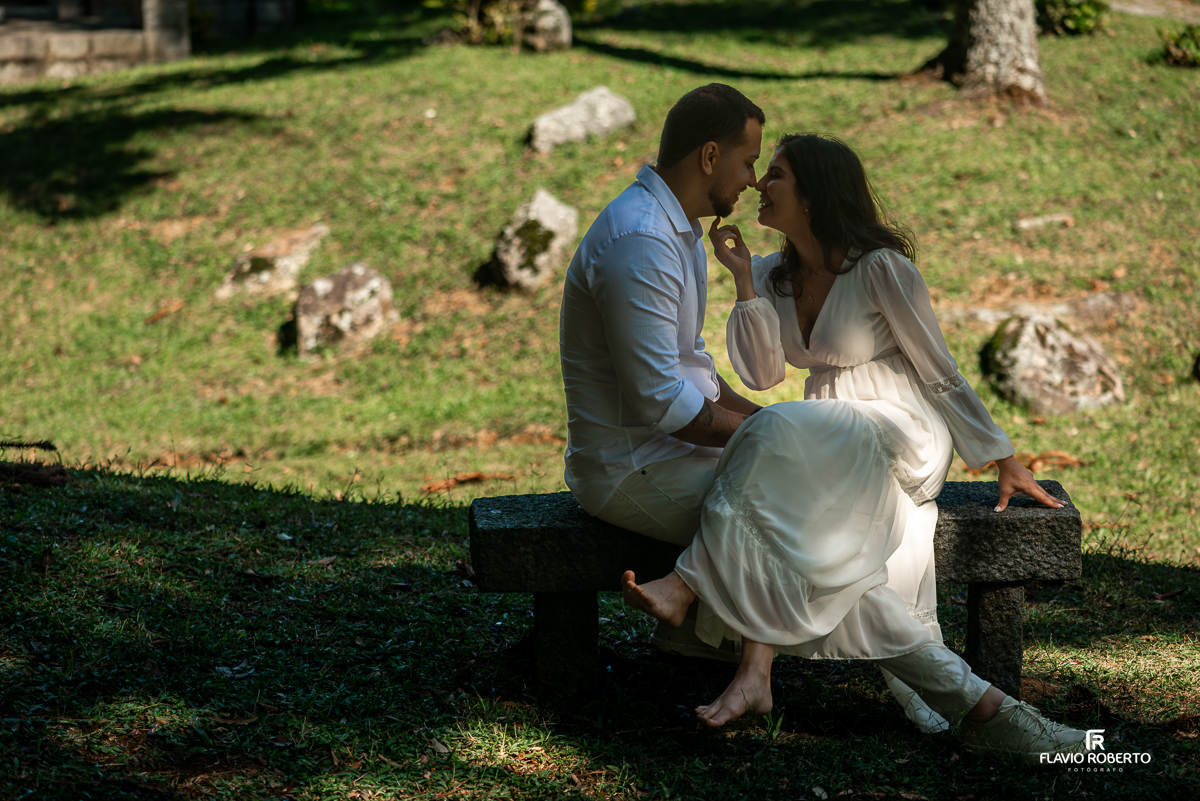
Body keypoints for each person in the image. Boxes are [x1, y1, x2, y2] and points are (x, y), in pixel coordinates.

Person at [622, 133, 1088, 763]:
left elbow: (939, 369)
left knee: (773, 430)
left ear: (814, 194)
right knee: (780, 451)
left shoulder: (880, 268)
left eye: (776, 174)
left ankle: (689, 584)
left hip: (901, 427)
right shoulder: (773, 274)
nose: (760, 184)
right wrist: (743, 280)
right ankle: (755, 673)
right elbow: (761, 374)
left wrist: (999, 454)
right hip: (824, 430)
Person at [559, 84, 765, 661]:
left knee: (804, 469)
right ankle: (711, 641)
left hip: (674, 452)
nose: (752, 180)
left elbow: (694, 370)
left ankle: (696, 633)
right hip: (630, 466)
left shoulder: (679, 230)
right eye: (748, 162)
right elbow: (661, 402)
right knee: (794, 496)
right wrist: (761, 436)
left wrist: (773, 422)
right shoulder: (642, 238)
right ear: (709, 157)